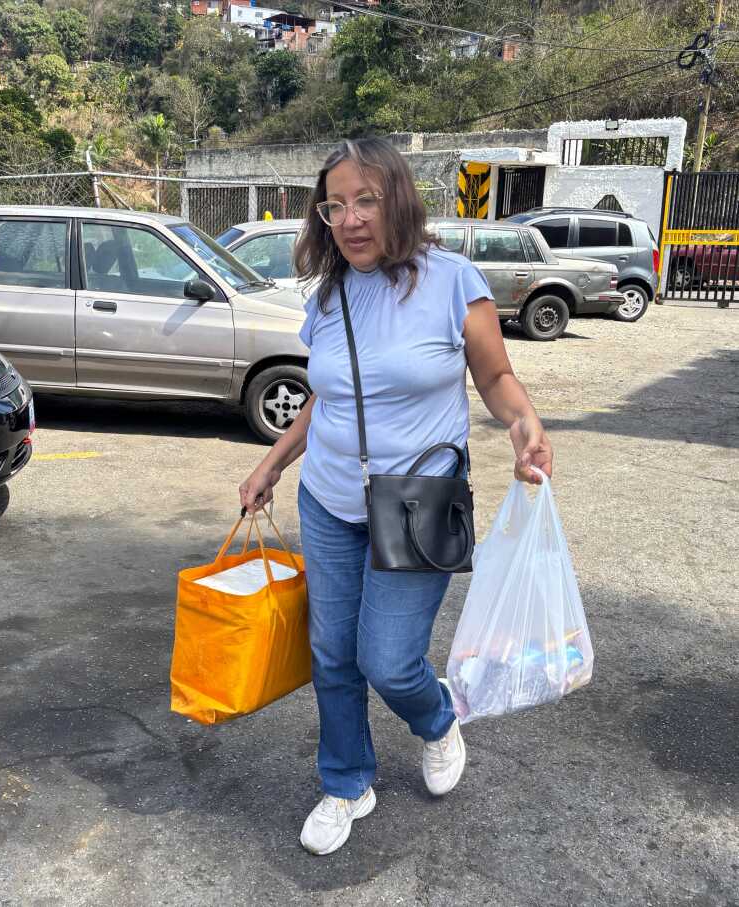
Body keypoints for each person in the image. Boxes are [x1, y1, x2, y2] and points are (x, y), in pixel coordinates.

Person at [238, 137, 554, 857]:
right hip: (328, 502)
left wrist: (524, 423)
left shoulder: (451, 281)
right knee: (332, 654)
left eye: (366, 201)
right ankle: (347, 781)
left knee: (389, 660)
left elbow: (497, 378)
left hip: (417, 501)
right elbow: (327, 394)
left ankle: (438, 718)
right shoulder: (330, 294)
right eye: (335, 205)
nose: (349, 219)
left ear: (399, 200)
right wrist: (275, 463)